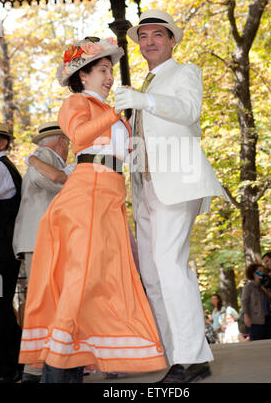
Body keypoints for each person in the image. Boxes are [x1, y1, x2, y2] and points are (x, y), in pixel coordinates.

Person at [19, 36, 166, 383]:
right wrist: (116, 111)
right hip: (87, 193)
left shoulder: (115, 115)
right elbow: (80, 135)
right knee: (79, 280)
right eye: (102, 69)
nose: (109, 76)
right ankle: (55, 370)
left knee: (102, 281)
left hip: (112, 198)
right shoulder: (77, 103)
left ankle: (72, 362)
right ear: (82, 75)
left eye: (110, 70)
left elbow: (131, 156)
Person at [115, 9, 229, 383]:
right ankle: (170, 353)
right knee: (151, 273)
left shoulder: (185, 73)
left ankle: (192, 357)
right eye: (143, 36)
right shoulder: (144, 85)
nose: (149, 42)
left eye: (157, 35)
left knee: (169, 265)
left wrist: (142, 102)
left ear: (172, 41)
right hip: (144, 187)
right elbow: (142, 140)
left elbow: (189, 111)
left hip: (178, 181)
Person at [12, 122, 70, 383]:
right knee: (42, 304)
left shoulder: (40, 158)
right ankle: (36, 369)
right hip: (39, 240)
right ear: (60, 142)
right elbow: (55, 181)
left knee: (42, 302)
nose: (68, 148)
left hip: (37, 239)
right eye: (67, 142)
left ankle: (38, 367)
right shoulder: (46, 157)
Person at [0, 122, 22, 382]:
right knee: (1, 305)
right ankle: (13, 363)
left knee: (0, 305)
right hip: (3, 251)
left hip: (1, 253)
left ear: (2, 143)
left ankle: (9, 366)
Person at [241, 263, 271, 341]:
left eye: (263, 271)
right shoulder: (249, 286)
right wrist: (246, 316)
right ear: (253, 273)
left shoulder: (266, 285)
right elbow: (244, 301)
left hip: (267, 319)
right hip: (255, 320)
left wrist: (265, 288)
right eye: (259, 271)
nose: (261, 273)